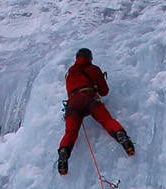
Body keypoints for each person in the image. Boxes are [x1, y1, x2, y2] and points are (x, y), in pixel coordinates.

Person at [57, 47, 135, 175]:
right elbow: (104, 92)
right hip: (89, 98)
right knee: (106, 120)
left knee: (70, 132)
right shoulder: (93, 69)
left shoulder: (70, 72)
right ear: (89, 58)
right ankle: (122, 136)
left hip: (73, 104)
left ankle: (64, 153)